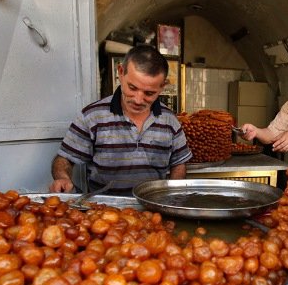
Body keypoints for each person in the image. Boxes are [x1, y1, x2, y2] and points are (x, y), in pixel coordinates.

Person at [49, 45, 192, 195]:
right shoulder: (92, 116)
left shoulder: (170, 120)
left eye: (149, 93)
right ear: (121, 73)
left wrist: (174, 195)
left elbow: (179, 163)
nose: (138, 100)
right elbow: (64, 159)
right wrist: (63, 178)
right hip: (104, 212)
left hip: (152, 210)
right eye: (132, 88)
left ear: (162, 86)